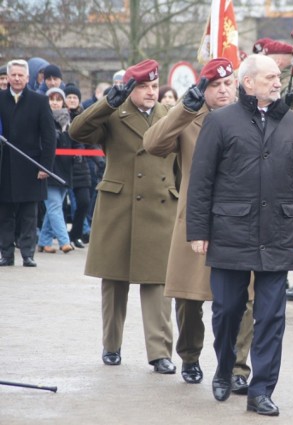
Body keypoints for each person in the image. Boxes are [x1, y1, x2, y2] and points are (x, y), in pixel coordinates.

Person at [186, 54, 293, 416]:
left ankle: (261, 390)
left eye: (278, 77)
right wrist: (199, 231)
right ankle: (225, 367)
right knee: (226, 311)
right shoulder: (221, 122)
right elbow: (201, 182)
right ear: (249, 82)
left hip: (278, 234)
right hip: (230, 232)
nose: (278, 82)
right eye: (270, 77)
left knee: (271, 318)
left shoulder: (292, 122)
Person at [143, 58, 255, 393]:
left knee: (244, 297)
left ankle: (237, 367)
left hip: (239, 220)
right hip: (197, 218)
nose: (223, 90)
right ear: (202, 89)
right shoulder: (188, 118)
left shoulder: (249, 116)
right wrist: (183, 109)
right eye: (215, 85)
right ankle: (190, 356)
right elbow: (153, 144)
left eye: (228, 83)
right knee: (189, 297)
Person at [68, 59, 178, 374]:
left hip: (159, 208)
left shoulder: (168, 116)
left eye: (154, 86)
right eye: (143, 86)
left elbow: (180, 166)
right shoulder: (115, 114)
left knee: (157, 283)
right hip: (120, 206)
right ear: (129, 88)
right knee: (114, 282)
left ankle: (160, 353)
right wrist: (108, 102)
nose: (150, 92)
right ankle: (111, 345)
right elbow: (78, 131)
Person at [0, 59, 56, 267]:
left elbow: (49, 137)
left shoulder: (39, 101)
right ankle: (6, 254)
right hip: (4, 166)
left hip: (30, 165)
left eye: (20, 75)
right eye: (12, 75)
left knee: (28, 215)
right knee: (4, 213)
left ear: (27, 78)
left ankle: (27, 254)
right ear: (7, 77)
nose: (16, 79)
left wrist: (45, 166)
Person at [37, 87, 74, 254]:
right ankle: (64, 241)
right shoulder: (41, 118)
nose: (55, 102)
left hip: (65, 171)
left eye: (58, 99)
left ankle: (44, 241)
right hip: (49, 169)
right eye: (51, 99)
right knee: (54, 206)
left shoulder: (69, 121)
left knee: (54, 207)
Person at [63, 83, 92, 249]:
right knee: (58, 204)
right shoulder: (58, 117)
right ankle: (49, 237)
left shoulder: (84, 118)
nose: (72, 100)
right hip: (62, 165)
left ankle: (76, 234)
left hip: (81, 166)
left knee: (84, 202)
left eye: (75, 97)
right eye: (69, 97)